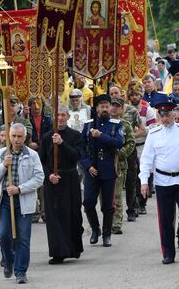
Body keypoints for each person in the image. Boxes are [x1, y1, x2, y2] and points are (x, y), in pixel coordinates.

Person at [139, 100, 179, 264]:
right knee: (165, 219)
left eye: (168, 115)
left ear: (173, 115)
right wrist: (144, 182)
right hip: (163, 181)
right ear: (159, 116)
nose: (165, 119)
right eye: (162, 116)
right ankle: (168, 253)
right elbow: (147, 160)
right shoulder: (154, 134)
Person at [0, 123, 44, 284]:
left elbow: (39, 178)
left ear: (25, 138)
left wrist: (20, 189)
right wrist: (4, 166)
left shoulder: (32, 155)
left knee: (23, 238)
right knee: (3, 234)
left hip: (24, 201)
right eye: (13, 136)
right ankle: (9, 260)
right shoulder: (0, 154)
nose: (16, 139)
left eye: (20, 136)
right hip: (6, 200)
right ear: (9, 136)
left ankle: (20, 271)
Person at [39, 106, 84, 264]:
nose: (60, 118)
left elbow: (76, 156)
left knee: (72, 214)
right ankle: (58, 252)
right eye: (57, 115)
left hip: (69, 178)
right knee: (54, 216)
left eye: (63, 115)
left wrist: (62, 143)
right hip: (52, 180)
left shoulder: (75, 135)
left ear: (68, 116)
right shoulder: (46, 137)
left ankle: (73, 247)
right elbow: (41, 160)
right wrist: (49, 175)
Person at [80, 94, 124, 247]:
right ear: (97, 108)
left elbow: (119, 143)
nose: (105, 109)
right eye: (102, 106)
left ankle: (107, 234)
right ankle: (95, 229)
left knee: (107, 205)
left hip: (108, 168)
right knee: (88, 202)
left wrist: (101, 136)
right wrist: (87, 165)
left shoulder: (116, 124)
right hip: (92, 168)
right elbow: (81, 148)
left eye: (107, 106)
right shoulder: (88, 125)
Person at [127, 82, 155, 215]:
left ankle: (142, 202)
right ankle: (134, 203)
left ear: (141, 95)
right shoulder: (125, 109)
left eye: (137, 94)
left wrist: (143, 132)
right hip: (130, 146)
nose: (134, 97)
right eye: (132, 95)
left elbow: (154, 127)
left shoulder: (147, 110)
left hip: (144, 145)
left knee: (144, 174)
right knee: (132, 176)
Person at [110, 98, 136, 235]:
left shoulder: (125, 125)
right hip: (104, 165)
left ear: (122, 109)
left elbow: (131, 143)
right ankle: (107, 221)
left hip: (119, 165)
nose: (114, 108)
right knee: (105, 196)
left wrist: (120, 154)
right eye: (112, 105)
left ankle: (116, 223)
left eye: (117, 106)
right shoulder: (102, 124)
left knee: (117, 195)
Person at [28, 96, 53, 223]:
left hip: (44, 153)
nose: (36, 107)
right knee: (32, 183)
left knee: (43, 183)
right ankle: (34, 213)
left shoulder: (48, 120)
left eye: (39, 104)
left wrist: (39, 144)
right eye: (33, 104)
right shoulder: (27, 119)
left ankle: (45, 212)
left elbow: (49, 135)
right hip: (30, 153)